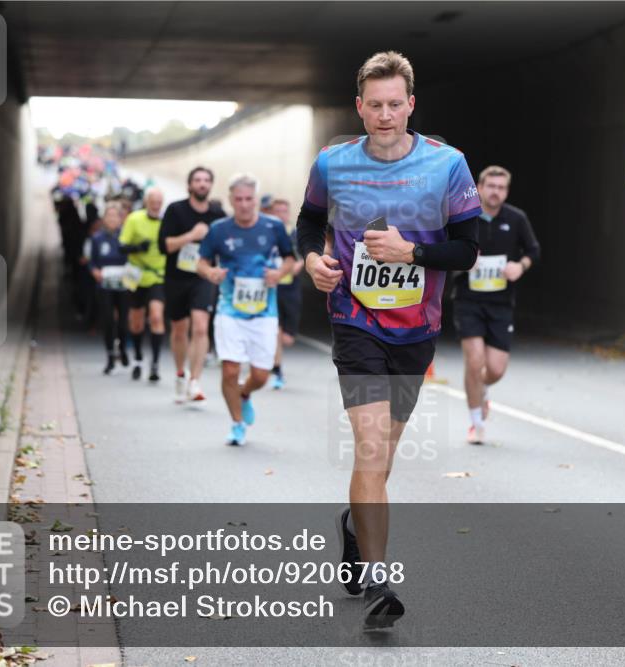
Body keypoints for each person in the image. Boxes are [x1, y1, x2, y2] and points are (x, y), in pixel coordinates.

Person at [296, 51, 480, 630]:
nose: (384, 114)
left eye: (394, 104)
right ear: (359, 106)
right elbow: (308, 221)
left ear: (411, 104)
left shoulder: (447, 165)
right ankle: (379, 579)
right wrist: (311, 259)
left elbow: (467, 249)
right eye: (373, 105)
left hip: (416, 328)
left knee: (385, 454)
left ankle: (353, 527)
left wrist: (413, 253)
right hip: (354, 320)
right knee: (371, 449)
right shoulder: (333, 163)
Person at [198, 174, 295, 446]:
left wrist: (279, 273)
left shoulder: (274, 227)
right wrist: (211, 272)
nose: (243, 204)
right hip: (229, 311)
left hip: (264, 313)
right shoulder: (218, 229)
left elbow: (289, 259)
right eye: (238, 199)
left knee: (262, 375)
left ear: (256, 199)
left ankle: (244, 393)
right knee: (229, 370)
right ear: (230, 200)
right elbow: (201, 262)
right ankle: (237, 423)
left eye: (249, 199)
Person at [451, 165, 540, 444]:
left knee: (496, 369)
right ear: (479, 188)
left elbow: (534, 251)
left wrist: (520, 266)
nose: (495, 192)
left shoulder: (516, 218)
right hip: (468, 300)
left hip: (501, 303)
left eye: (501, 188)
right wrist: (462, 258)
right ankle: (476, 424)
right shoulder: (466, 218)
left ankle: (481, 390)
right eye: (490, 186)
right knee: (474, 361)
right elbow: (443, 248)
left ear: (507, 191)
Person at [158, 166, 226, 403]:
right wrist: (191, 235)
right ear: (189, 185)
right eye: (197, 180)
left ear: (210, 185)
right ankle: (180, 373)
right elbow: (164, 246)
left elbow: (227, 245)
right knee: (179, 329)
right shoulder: (176, 210)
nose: (202, 183)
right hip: (177, 277)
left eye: (206, 180)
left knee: (200, 326)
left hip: (203, 277)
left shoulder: (218, 214)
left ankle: (195, 381)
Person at [118, 187, 167, 382]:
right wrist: (137, 247)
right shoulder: (134, 219)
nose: (156, 205)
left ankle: (155, 363)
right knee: (136, 320)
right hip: (135, 275)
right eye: (152, 201)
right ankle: (138, 357)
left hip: (158, 275)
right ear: (147, 202)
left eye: (159, 202)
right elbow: (121, 246)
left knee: (156, 316)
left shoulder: (166, 222)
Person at [88, 203, 130, 373]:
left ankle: (123, 348)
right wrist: (95, 272)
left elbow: (132, 259)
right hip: (105, 284)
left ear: (121, 219)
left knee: (123, 320)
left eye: (115, 216)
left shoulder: (126, 238)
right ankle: (110, 355)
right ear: (104, 219)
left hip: (123, 284)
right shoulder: (97, 238)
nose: (112, 219)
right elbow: (92, 261)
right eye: (109, 216)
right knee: (108, 320)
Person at [269, 198, 304, 389]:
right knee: (276, 331)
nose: (281, 214)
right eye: (277, 211)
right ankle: (276, 370)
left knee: (287, 338)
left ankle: (273, 363)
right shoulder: (267, 232)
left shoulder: (295, 234)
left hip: (290, 289)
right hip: (272, 288)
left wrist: (299, 265)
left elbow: (307, 253)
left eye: (284, 211)